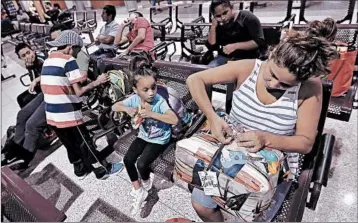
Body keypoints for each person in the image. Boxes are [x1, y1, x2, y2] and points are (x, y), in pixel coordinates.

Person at [186, 31, 339, 221]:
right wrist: (213, 117)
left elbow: (306, 143)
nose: (274, 84)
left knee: (254, 212)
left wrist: (267, 139)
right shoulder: (247, 68)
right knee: (202, 203)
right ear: (272, 54)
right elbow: (195, 79)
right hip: (226, 154)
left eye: (285, 85)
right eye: (272, 74)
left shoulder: (310, 88)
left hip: (271, 164)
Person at [42, 30, 124, 179]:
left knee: (70, 144)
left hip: (51, 113)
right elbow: (79, 92)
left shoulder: (49, 59)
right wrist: (97, 82)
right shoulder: (68, 60)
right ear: (71, 47)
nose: (77, 54)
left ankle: (80, 170)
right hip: (67, 112)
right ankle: (103, 170)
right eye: (78, 50)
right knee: (85, 142)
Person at [112, 56, 178, 215]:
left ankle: (147, 185)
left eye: (153, 88)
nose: (151, 93)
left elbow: (174, 119)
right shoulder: (134, 99)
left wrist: (152, 114)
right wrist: (127, 109)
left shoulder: (159, 101)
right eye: (146, 90)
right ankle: (138, 190)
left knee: (142, 164)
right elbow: (115, 106)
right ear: (136, 90)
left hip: (160, 138)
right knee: (128, 159)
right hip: (144, 135)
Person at [1, 43, 49, 169]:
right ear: (20, 58)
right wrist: (31, 69)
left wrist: (35, 78)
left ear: (33, 50)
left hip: (53, 94)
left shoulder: (43, 60)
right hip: (43, 94)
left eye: (28, 52)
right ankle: (13, 151)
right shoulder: (31, 65)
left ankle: (25, 158)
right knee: (22, 115)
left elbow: (48, 78)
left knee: (31, 125)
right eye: (23, 56)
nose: (28, 56)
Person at [207, 0, 265, 67]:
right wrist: (213, 27)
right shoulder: (218, 24)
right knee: (208, 71)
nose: (223, 18)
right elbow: (212, 44)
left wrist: (235, 46)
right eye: (218, 16)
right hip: (226, 57)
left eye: (225, 13)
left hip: (248, 58)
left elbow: (259, 41)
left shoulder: (246, 17)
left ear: (231, 8)